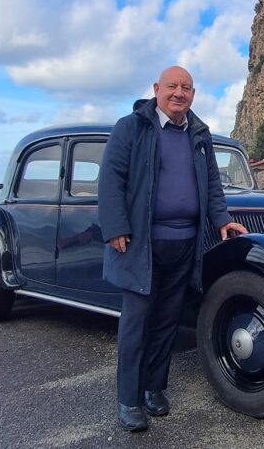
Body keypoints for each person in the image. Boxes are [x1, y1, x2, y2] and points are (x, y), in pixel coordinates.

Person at [98, 66, 247, 433]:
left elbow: (212, 183)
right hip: (141, 244)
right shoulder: (130, 127)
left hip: (184, 244)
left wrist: (222, 219)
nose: (178, 93)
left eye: (186, 87)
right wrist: (116, 225)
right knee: (136, 323)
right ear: (156, 90)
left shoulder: (199, 133)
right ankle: (129, 400)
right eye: (172, 87)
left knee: (167, 321)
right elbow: (110, 179)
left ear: (193, 94)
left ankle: (153, 389)